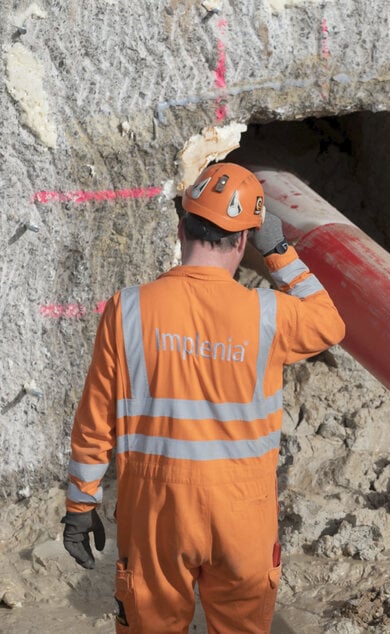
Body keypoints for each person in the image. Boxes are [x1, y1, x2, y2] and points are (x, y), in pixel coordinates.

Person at [60, 162, 346, 632]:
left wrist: (80, 507)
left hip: (155, 513)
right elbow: (331, 322)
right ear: (241, 241)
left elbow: (95, 421)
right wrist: (277, 252)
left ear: (181, 228)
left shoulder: (127, 308)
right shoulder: (269, 315)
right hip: (243, 516)